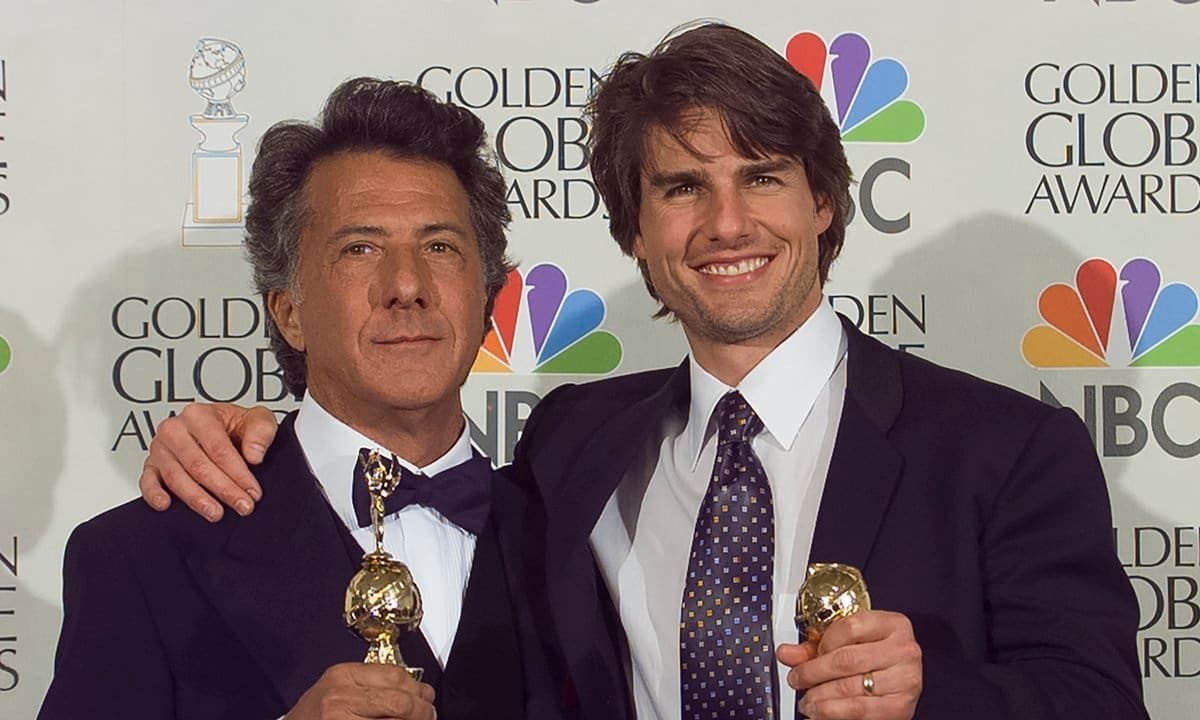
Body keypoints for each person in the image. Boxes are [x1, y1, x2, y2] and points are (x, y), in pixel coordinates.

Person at [134, 24, 1147, 720]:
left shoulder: (1007, 450)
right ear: (633, 230)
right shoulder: (573, 443)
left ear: (827, 204)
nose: (728, 223)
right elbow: (376, 462)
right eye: (681, 187)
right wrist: (251, 431)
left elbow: (1102, 703)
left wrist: (938, 696)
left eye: (763, 177)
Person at [39, 78, 559, 720]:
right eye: (360, 248)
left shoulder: (581, 534)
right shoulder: (142, 557)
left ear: (487, 300)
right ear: (289, 312)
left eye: (440, 246)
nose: (406, 285)